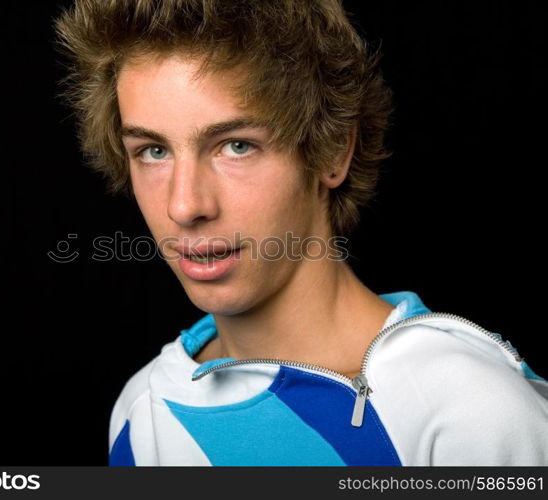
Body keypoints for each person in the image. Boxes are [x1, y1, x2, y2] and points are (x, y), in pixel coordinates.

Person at [54, 0, 548, 465]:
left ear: (333, 150)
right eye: (153, 151)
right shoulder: (143, 412)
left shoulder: (467, 409)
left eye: (237, 146)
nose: (184, 206)